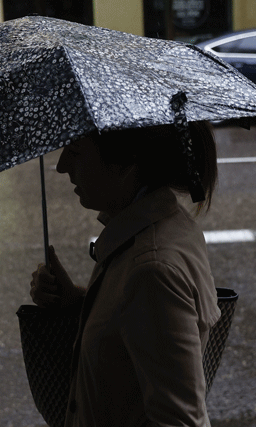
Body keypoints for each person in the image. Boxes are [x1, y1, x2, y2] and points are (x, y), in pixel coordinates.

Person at [30, 121, 222, 427]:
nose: (63, 165)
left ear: (126, 164)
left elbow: (180, 421)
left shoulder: (152, 269)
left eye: (76, 151)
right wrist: (79, 302)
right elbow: (136, 330)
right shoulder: (157, 226)